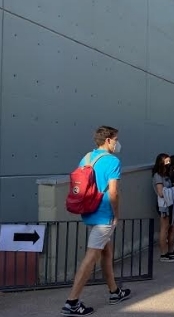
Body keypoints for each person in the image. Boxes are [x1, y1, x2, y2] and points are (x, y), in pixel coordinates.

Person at [61, 126, 131, 316]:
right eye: (116, 139)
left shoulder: (87, 157)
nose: (117, 143)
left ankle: (114, 292)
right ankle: (72, 302)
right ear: (108, 140)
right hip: (104, 215)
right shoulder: (113, 161)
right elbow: (114, 192)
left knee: (106, 253)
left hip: (89, 212)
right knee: (92, 256)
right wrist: (116, 215)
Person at [152, 153, 174, 262]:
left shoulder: (166, 175)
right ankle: (163, 254)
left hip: (171, 204)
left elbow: (169, 187)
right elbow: (161, 192)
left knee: (173, 227)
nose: (169, 164)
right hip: (163, 206)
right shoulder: (158, 176)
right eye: (167, 162)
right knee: (164, 229)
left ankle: (171, 251)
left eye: (170, 162)